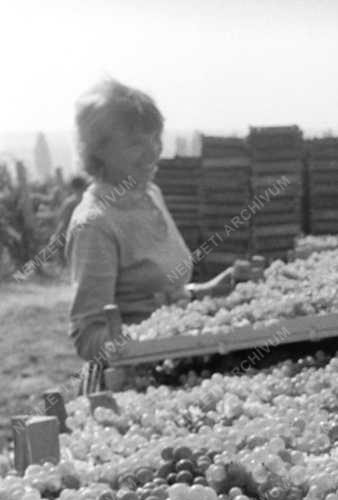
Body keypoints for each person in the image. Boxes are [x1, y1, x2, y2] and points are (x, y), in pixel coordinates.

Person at [67, 79, 259, 392]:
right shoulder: (96, 224)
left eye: (155, 139)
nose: (152, 152)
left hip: (178, 370)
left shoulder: (150, 194)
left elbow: (157, 295)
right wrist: (141, 338)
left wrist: (204, 291)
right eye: (135, 144)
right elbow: (86, 336)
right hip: (134, 387)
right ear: (98, 150)